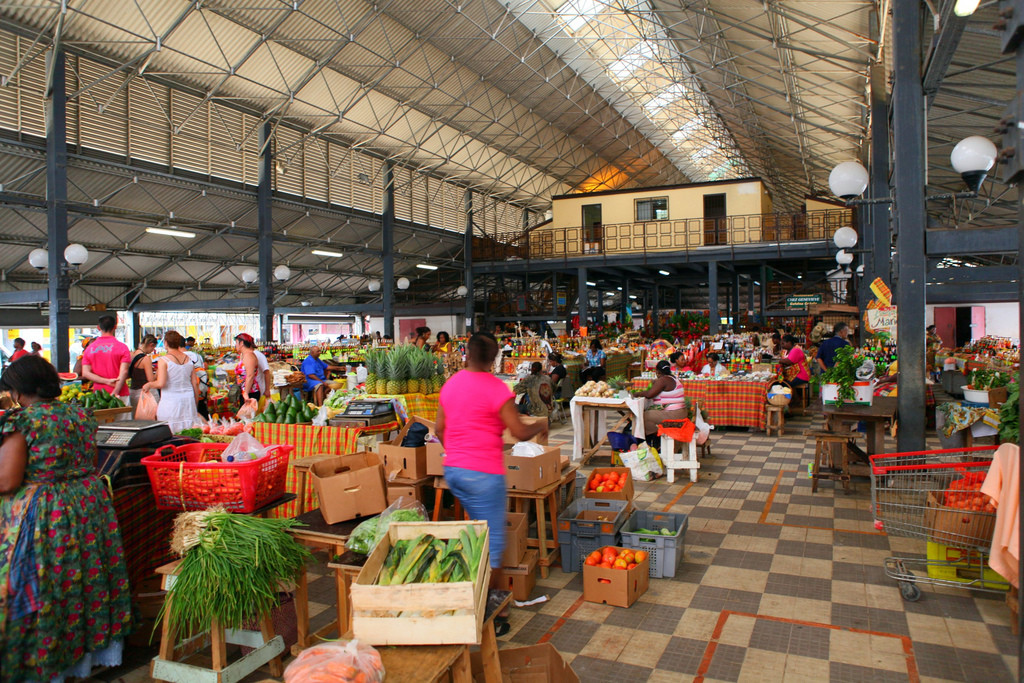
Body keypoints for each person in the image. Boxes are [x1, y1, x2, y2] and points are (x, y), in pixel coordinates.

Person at [0, 356, 132, 680]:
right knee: (84, 578)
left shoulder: (24, 421)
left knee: (48, 586)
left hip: (47, 514)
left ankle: (44, 663)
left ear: (17, 392)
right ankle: (85, 657)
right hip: (88, 505)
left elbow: (7, 481)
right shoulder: (80, 414)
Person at [436, 332, 546, 631]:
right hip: (484, 475)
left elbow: (440, 428)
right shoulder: (496, 389)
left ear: (466, 354)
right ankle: (492, 613)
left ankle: (466, 590)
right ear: (494, 357)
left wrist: (458, 451)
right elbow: (519, 432)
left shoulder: (451, 384)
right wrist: (541, 423)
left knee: (476, 534)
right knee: (494, 545)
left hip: (455, 472)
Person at [143, 331, 199, 433]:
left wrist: (149, 384)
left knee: (170, 433)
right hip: (188, 400)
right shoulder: (189, 359)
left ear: (165, 343)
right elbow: (195, 383)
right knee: (188, 433)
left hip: (170, 402)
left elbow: (161, 383)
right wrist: (195, 401)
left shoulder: (164, 360)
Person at [81, 315, 131, 403]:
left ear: (98, 327)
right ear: (115, 327)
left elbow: (85, 373)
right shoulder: (122, 347)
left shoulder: (89, 349)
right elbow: (124, 372)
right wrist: (115, 392)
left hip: (99, 395)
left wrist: (106, 381)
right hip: (120, 394)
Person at [634, 359, 688, 441]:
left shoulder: (663, 380)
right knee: (648, 415)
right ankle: (655, 439)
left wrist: (637, 394)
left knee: (645, 416)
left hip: (674, 414)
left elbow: (649, 395)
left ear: (658, 372)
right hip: (681, 412)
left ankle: (651, 440)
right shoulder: (673, 378)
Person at [128, 334, 158, 417]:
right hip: (145, 393)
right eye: (153, 348)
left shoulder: (131, 354)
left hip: (132, 391)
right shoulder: (145, 359)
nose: (152, 351)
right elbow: (151, 380)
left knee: (135, 417)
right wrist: (158, 372)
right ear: (151, 345)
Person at [183, 336, 210, 419]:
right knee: (202, 412)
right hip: (200, 389)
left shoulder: (178, 357)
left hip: (188, 391)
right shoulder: (197, 355)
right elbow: (204, 367)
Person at [234, 333, 263, 404]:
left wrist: (246, 393)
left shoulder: (249, 356)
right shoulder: (245, 355)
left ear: (242, 343)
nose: (235, 345)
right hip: (245, 392)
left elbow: (250, 375)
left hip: (250, 393)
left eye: (237, 342)